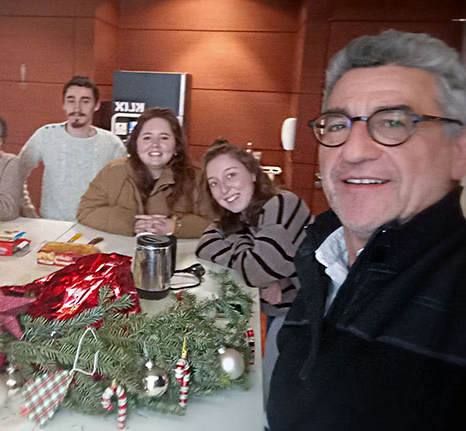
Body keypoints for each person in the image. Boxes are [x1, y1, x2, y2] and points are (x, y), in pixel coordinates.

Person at [267, 30, 466, 431]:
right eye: (337, 124)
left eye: (394, 122)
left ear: (458, 154)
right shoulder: (323, 254)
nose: (354, 151)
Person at [195, 139, 312, 412]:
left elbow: (257, 270)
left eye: (231, 175)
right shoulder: (238, 220)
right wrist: (249, 255)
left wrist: (256, 270)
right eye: (214, 183)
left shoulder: (282, 203)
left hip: (308, 320)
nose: (224, 189)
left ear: (252, 173)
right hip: (275, 314)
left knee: (274, 403)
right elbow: (205, 245)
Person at [77, 107, 215, 237]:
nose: (155, 144)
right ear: (136, 143)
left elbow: (215, 222)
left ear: (176, 146)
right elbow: (86, 211)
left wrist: (176, 227)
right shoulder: (113, 171)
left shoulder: (197, 177)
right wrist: (131, 223)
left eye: (164, 137)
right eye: (147, 137)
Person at [19, 76, 126, 221]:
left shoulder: (112, 144)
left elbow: (125, 190)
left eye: (85, 101)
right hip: (52, 227)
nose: (77, 108)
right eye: (71, 100)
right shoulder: (45, 135)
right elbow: (16, 176)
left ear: (96, 105)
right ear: (63, 104)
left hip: (96, 227)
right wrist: (27, 211)